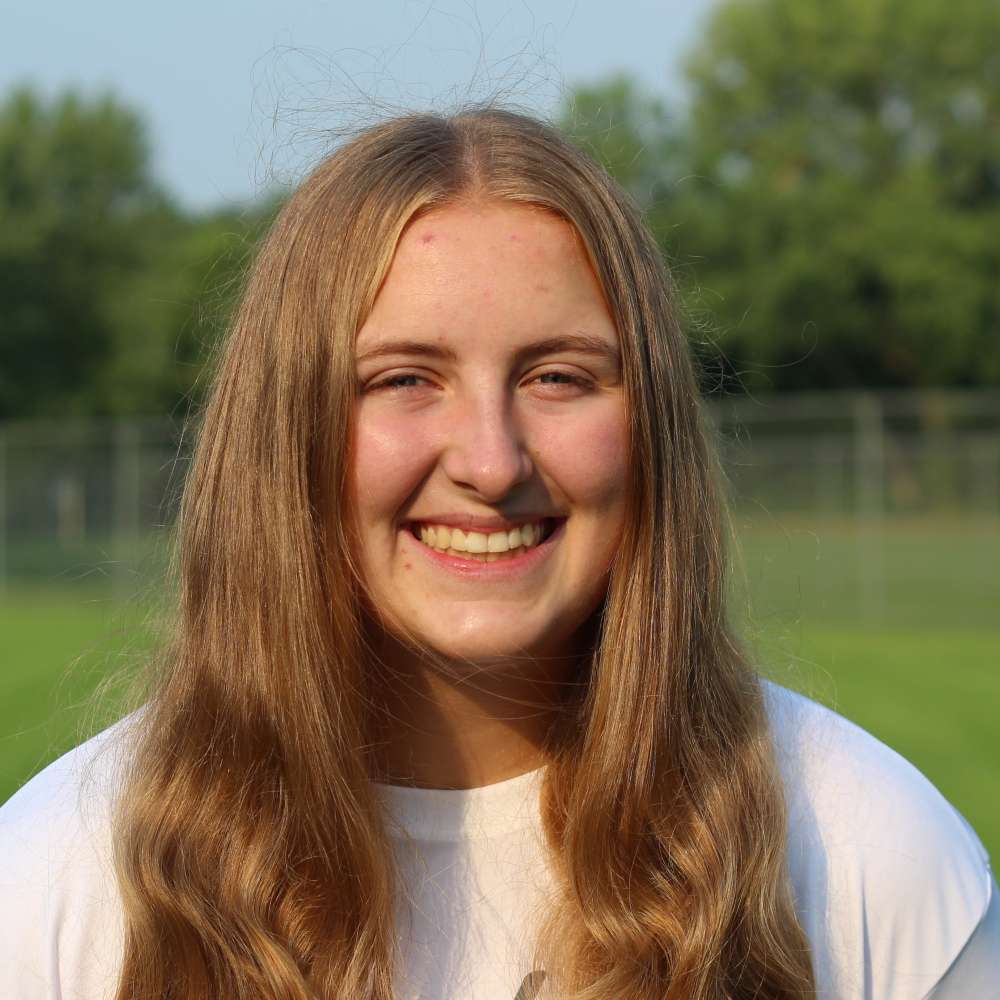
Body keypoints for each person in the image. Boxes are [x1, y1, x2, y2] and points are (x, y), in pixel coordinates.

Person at [0, 106, 997, 1000]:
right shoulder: (56, 883)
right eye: (403, 379)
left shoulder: (866, 851)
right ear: (285, 432)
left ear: (650, 425)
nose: (490, 460)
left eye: (558, 376)